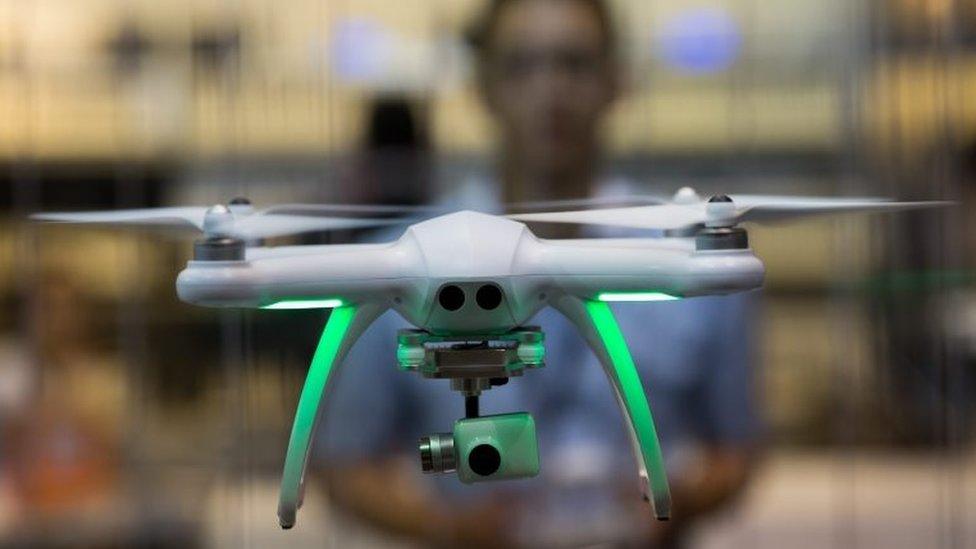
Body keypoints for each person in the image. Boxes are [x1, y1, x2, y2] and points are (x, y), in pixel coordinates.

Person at [315, 1, 761, 546]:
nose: (551, 91)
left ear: (616, 80)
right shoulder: (397, 264)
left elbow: (738, 451)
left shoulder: (694, 262)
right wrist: (456, 529)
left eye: (573, 64)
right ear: (483, 85)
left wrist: (671, 506)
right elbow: (344, 465)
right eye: (522, 65)